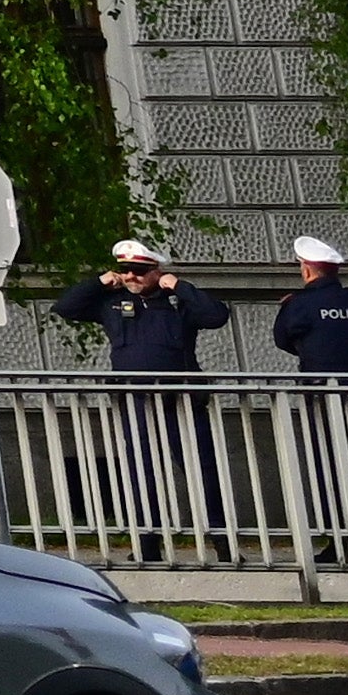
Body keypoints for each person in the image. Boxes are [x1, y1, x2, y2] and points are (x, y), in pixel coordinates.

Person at [91, 236, 236, 553]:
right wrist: (100, 282)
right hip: (137, 402)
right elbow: (67, 307)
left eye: (139, 270)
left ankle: (222, 541)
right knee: (142, 470)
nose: (131, 276)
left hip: (180, 401)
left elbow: (217, 316)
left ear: (156, 271)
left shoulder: (177, 303)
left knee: (202, 469)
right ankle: (148, 542)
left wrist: (179, 286)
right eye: (125, 270)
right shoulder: (113, 303)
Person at [271, 237, 348, 553]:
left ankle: (340, 539)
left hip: (324, 394)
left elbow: (282, 339)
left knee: (331, 466)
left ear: (307, 270)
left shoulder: (299, 304)